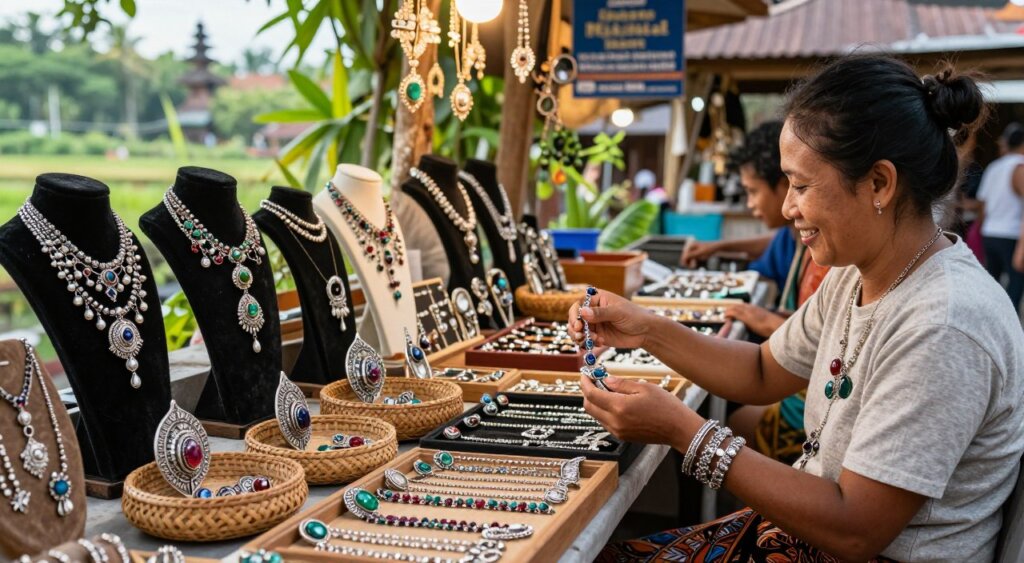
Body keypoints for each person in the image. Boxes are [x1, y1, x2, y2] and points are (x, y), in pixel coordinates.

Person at [570, 55, 1023, 562]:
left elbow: (856, 529)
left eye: (802, 186)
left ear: (879, 184)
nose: (788, 208)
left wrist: (685, 432)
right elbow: (764, 370)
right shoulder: (860, 272)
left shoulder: (944, 323)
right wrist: (648, 329)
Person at [977, 123, 1024, 309]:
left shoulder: (994, 167)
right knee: (1016, 284)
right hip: (1011, 235)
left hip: (990, 232)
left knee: (993, 285)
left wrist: (982, 229)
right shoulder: (1020, 167)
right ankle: (1008, 329)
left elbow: (982, 204)